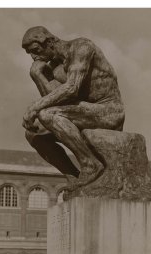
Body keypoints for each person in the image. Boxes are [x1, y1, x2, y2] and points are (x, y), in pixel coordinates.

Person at [22, 26, 125, 190]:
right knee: (33, 133)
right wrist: (38, 76)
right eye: (30, 54)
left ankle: (90, 164)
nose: (34, 57)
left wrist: (35, 106)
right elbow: (56, 101)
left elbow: (72, 88)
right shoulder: (56, 68)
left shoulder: (81, 47)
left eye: (35, 50)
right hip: (84, 112)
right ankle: (73, 176)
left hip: (109, 111)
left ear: (48, 41)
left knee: (47, 114)